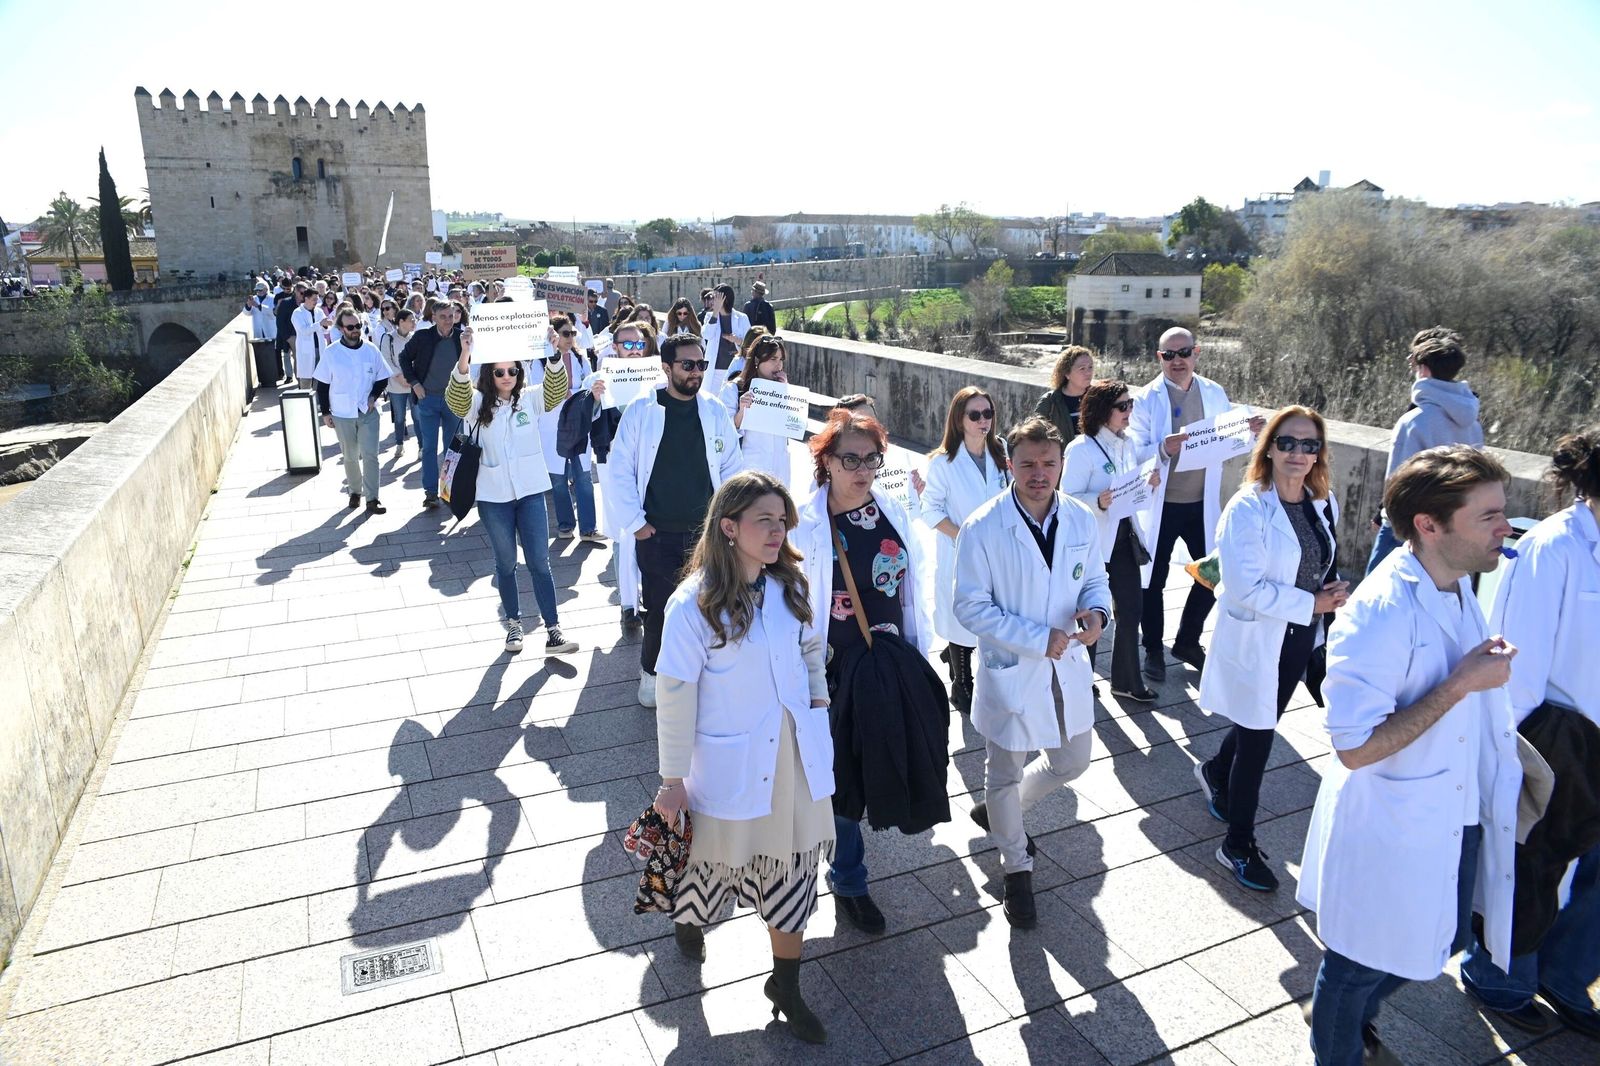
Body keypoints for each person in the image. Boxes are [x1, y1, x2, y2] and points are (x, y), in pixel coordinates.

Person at [1299, 445, 1522, 1066]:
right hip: (1394, 822)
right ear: (1430, 524)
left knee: (1447, 936)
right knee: (1356, 961)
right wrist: (1460, 683)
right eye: (1489, 516)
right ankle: (1337, 1038)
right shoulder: (1378, 614)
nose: (1506, 527)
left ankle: (1351, 1013)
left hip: (1454, 806)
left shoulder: (1453, 584)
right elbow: (1354, 748)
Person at [651, 471, 833, 1045]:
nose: (777, 532)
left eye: (782, 521)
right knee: (710, 866)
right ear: (729, 527)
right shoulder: (693, 604)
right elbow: (674, 695)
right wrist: (672, 781)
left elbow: (810, 648)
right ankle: (688, 919)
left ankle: (785, 983)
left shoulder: (789, 586)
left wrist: (818, 699)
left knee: (796, 871)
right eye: (764, 521)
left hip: (794, 761)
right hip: (726, 764)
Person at [1458, 425, 1600, 1037]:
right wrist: (1514, 763)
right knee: (1531, 862)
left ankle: (1566, 972)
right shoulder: (1554, 547)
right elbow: (1514, 663)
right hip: (1557, 738)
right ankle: (1501, 974)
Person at [955, 415, 1111, 928]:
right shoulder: (983, 527)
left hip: (1065, 664)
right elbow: (970, 607)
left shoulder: (1081, 519)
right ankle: (1015, 867)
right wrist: (1034, 638)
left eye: (1049, 463)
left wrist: (1098, 614)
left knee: (1072, 761)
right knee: (1003, 771)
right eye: (1028, 464)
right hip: (1014, 667)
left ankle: (1003, 816)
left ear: (1063, 463)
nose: (1039, 473)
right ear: (1010, 465)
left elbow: (1094, 580)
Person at [1194, 406, 1349, 892]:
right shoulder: (1248, 506)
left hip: (1298, 636)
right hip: (1258, 637)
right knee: (1259, 741)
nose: (1298, 453)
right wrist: (1312, 601)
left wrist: (1327, 599)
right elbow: (1242, 585)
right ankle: (1236, 844)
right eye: (1287, 442)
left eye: (1309, 444)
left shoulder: (1323, 503)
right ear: (1269, 448)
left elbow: (1320, 562)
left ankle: (1216, 769)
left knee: (1261, 720)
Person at [793, 409, 931, 935]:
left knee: (881, 759)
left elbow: (911, 588)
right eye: (849, 458)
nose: (862, 470)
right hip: (832, 668)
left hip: (889, 660)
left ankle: (844, 862)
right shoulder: (803, 521)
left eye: (871, 458)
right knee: (840, 774)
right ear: (825, 459)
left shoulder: (891, 508)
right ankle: (848, 878)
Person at [610, 334, 746, 708]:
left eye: (701, 365)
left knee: (711, 606)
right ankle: (651, 674)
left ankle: (700, 675)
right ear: (666, 368)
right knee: (660, 608)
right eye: (688, 365)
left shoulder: (715, 410)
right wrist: (637, 524)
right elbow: (619, 469)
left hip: (707, 535)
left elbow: (733, 468)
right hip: (657, 533)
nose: (696, 372)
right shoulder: (642, 410)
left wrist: (730, 520)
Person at [1128, 326, 1264, 683]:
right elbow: (1132, 450)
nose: (1177, 361)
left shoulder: (1214, 392)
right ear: (1159, 358)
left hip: (1201, 501)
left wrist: (1249, 431)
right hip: (1162, 504)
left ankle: (1188, 640)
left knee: (1216, 572)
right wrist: (1161, 449)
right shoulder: (1145, 400)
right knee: (1152, 581)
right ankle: (1153, 650)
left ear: (1196, 353)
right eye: (1169, 355)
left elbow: (1230, 441)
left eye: (1183, 352)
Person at [443, 338, 578, 656]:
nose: (507, 377)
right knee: (506, 563)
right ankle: (514, 625)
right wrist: (465, 354)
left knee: (540, 563)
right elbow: (456, 398)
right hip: (493, 497)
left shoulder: (530, 400)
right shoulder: (476, 404)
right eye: (500, 372)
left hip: (530, 493)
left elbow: (556, 390)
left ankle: (553, 630)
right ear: (489, 375)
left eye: (513, 371)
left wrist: (553, 353)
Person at [1061, 379, 1161, 702]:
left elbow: (1130, 489)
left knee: (1131, 611)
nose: (1129, 411)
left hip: (1125, 538)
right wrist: (1099, 502)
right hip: (1094, 545)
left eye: (1131, 404)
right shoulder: (1081, 449)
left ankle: (1126, 680)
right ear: (1104, 411)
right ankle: (1081, 678)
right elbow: (1067, 497)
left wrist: (1148, 483)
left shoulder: (1127, 444)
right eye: (1123, 406)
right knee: (1091, 615)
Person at [1367, 327, 1485, 574]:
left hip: (1406, 525)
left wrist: (1384, 517)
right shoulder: (1472, 424)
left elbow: (1397, 480)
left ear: (1424, 369)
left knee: (1373, 596)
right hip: (1448, 526)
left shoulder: (1415, 422)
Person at [921, 386, 1010, 713]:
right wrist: (963, 536)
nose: (983, 421)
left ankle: (984, 675)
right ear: (959, 419)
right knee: (961, 617)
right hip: (959, 550)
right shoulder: (943, 463)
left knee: (991, 613)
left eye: (988, 414)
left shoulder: (999, 452)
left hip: (997, 552)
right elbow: (929, 510)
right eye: (975, 415)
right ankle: (962, 684)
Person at [596, 324, 656, 633]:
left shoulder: (656, 375)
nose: (634, 349)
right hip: (613, 464)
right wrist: (594, 398)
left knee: (646, 529)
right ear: (615, 346)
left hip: (649, 462)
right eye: (627, 345)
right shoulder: (601, 377)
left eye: (639, 344)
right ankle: (627, 603)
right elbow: (584, 415)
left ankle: (646, 595)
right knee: (624, 532)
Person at [532, 314, 605, 541]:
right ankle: (565, 525)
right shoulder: (540, 361)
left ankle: (588, 528)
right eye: (565, 333)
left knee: (583, 477)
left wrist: (570, 393)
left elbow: (589, 389)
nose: (570, 337)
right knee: (558, 479)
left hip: (578, 424)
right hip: (551, 426)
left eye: (573, 333)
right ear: (554, 336)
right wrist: (574, 393)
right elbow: (540, 393)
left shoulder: (581, 359)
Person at [314, 307, 390, 514]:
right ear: (341, 329)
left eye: (358, 325)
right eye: (351, 327)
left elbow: (383, 376)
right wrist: (326, 412)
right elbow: (322, 384)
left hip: (368, 410)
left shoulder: (371, 349)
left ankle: (373, 498)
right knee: (350, 455)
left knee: (371, 455)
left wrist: (374, 396)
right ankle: (355, 492)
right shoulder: (331, 352)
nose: (355, 330)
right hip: (342, 411)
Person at [399, 298, 466, 508]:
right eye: (443, 317)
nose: (448, 321)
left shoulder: (461, 338)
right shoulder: (422, 337)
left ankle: (448, 490)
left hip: (454, 400)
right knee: (429, 447)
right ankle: (430, 492)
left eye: (451, 316)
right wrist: (414, 383)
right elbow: (403, 358)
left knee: (453, 448)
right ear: (434, 317)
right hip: (427, 399)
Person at [727, 333, 794, 483]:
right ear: (757, 360)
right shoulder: (735, 389)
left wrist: (786, 394)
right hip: (749, 469)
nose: (779, 365)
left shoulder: (783, 389)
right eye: (773, 359)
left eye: (781, 359)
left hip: (779, 469)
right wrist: (742, 410)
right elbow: (725, 429)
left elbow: (793, 425)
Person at [1034, 345, 1094, 446]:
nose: (1088, 373)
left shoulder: (1099, 398)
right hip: (1063, 459)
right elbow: (1034, 435)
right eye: (1082, 368)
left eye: (1090, 367)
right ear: (1067, 374)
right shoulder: (1050, 402)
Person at [377, 308, 417, 451]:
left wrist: (410, 378)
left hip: (414, 384)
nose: (414, 322)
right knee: (399, 417)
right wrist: (399, 376)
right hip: (396, 384)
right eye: (411, 320)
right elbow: (385, 359)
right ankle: (399, 444)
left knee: (417, 416)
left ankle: (421, 447)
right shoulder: (388, 338)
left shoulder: (415, 338)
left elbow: (419, 360)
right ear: (401, 321)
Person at [701, 283, 750, 394]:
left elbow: (750, 343)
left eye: (715, 297)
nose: (711, 301)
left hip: (736, 370)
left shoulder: (742, 318)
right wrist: (715, 313)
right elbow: (706, 335)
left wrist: (737, 340)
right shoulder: (709, 316)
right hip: (715, 370)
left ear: (725, 299)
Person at [290, 286, 324, 390]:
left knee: (319, 379)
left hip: (320, 349)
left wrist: (326, 325)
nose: (316, 301)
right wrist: (320, 324)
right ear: (306, 299)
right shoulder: (297, 313)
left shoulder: (319, 311)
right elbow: (303, 331)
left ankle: (317, 404)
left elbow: (325, 330)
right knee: (306, 381)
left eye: (317, 299)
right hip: (306, 351)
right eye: (314, 299)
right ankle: (305, 403)